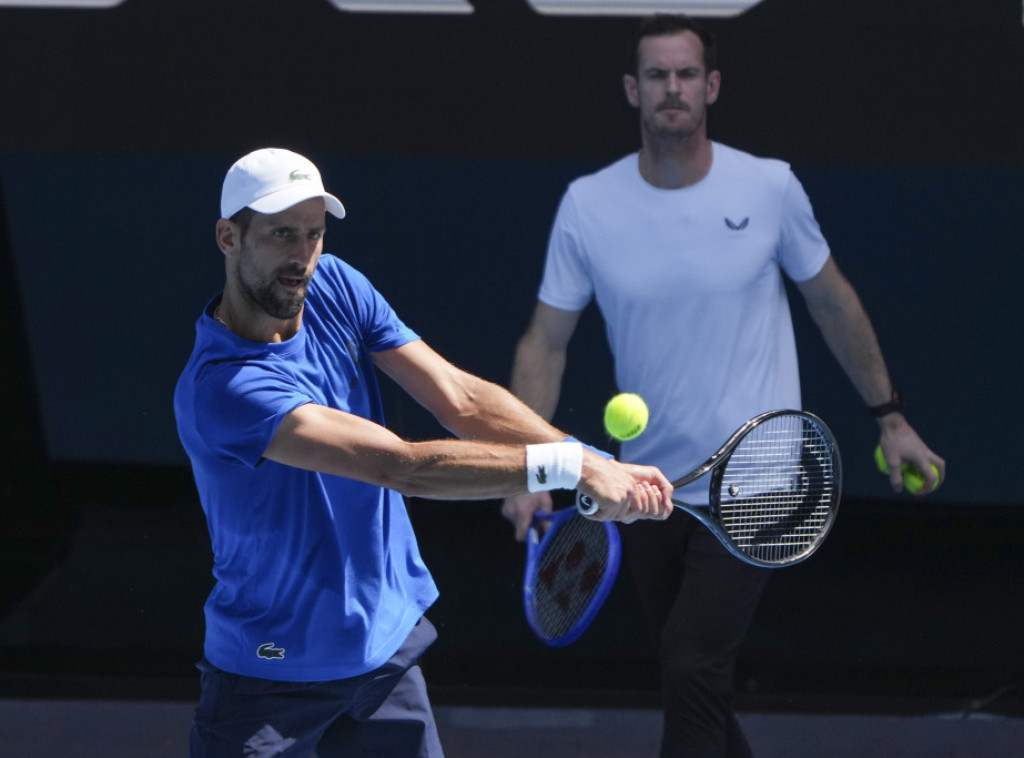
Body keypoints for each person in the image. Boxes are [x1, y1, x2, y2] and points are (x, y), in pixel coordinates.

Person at [501, 14, 946, 758]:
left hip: (757, 483)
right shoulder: (588, 204)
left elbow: (832, 301)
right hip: (645, 487)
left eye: (685, 74)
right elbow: (545, 342)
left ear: (710, 86)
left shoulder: (769, 188)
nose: (671, 89)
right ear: (633, 90)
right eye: (656, 75)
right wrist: (530, 468)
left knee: (690, 662)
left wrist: (890, 417)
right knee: (691, 680)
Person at [174, 147, 673, 758]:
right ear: (228, 237)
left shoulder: (335, 285)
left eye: (314, 233)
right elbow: (401, 466)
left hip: (385, 657)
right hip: (270, 676)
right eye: (281, 234)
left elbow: (460, 399)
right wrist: (574, 467)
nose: (302, 255)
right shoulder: (224, 387)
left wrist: (591, 458)